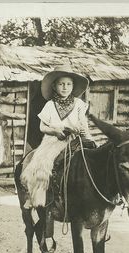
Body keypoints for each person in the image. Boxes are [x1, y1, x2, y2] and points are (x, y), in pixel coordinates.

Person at [21, 64, 93, 208]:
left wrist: (87, 135)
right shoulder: (49, 105)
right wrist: (55, 131)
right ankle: (35, 195)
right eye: (61, 84)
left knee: (95, 160)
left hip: (76, 139)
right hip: (54, 140)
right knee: (41, 163)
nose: (65, 87)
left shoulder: (79, 104)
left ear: (73, 86)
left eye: (68, 84)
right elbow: (42, 127)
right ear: (54, 86)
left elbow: (83, 123)